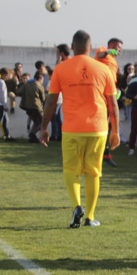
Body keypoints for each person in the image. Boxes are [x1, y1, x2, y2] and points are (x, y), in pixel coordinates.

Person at [39, 29, 120, 229]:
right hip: (98, 128)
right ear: (91, 48)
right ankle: (90, 217)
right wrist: (115, 130)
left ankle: (77, 206)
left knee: (70, 170)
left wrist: (43, 127)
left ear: (73, 47)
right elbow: (113, 104)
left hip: (72, 129)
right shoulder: (104, 70)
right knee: (93, 172)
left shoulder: (60, 68)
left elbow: (50, 102)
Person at [94, 38, 123, 167]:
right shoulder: (103, 51)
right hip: (101, 91)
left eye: (120, 47)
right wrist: (107, 52)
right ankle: (96, 154)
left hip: (110, 93)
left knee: (108, 124)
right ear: (111, 45)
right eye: (117, 47)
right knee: (100, 123)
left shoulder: (114, 61)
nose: (119, 49)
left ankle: (106, 155)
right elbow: (99, 55)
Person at [19, 71, 46, 143]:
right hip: (37, 107)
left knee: (36, 122)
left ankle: (32, 138)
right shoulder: (39, 85)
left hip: (27, 107)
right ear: (40, 79)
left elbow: (18, 92)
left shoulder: (26, 84)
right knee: (43, 121)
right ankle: (32, 134)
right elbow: (43, 98)